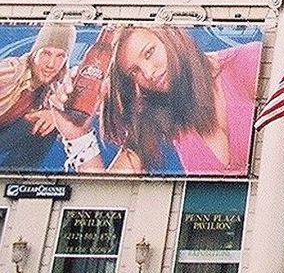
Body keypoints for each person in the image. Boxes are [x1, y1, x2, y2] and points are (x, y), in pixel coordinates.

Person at [50, 23, 261, 175]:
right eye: (134, 72)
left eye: (149, 53)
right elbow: (106, 198)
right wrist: (77, 136)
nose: (149, 73)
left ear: (171, 36)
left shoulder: (248, 62)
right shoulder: (158, 111)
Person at [0, 22, 76, 169]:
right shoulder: (10, 71)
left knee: (50, 121)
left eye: (60, 56)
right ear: (35, 53)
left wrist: (53, 115)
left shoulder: (53, 89)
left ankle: (16, 179)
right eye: (46, 53)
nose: (51, 64)